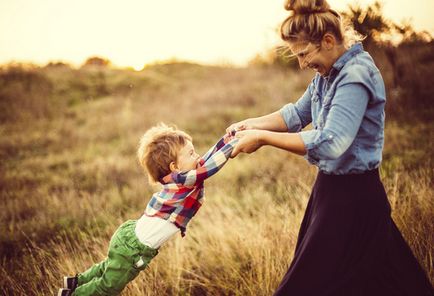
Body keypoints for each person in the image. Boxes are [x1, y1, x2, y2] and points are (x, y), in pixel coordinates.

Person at [226, 0, 433, 295]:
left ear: (328, 40)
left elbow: (333, 142)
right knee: (385, 282)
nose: (301, 63)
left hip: (355, 199)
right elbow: (297, 114)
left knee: (307, 286)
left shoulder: (356, 74)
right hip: (329, 192)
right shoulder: (327, 75)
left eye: (303, 53)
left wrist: (263, 138)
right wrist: (251, 123)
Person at [58, 123, 237, 296]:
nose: (197, 156)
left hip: (129, 238)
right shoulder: (183, 180)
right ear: (174, 167)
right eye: (191, 153)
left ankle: (74, 283)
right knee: (109, 287)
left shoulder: (179, 178)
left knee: (109, 266)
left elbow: (206, 160)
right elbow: (210, 168)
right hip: (133, 249)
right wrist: (234, 145)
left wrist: (226, 139)